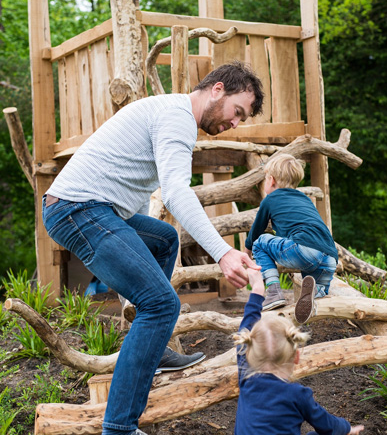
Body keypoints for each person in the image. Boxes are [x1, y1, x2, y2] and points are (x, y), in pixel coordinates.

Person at [42, 61, 264, 435]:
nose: (235, 124)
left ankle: (154, 349)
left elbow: (137, 185)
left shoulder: (171, 111)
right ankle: (119, 428)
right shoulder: (177, 118)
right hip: (78, 208)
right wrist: (224, 252)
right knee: (161, 304)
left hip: (93, 208)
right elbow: (176, 193)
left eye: (242, 120)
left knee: (164, 238)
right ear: (217, 89)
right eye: (237, 112)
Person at [233, 268, 364, 435]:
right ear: (296, 356)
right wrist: (347, 428)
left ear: (249, 347)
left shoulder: (247, 380)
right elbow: (327, 425)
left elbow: (245, 328)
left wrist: (257, 289)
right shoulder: (297, 395)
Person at [244, 153, 339, 323]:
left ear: (271, 180)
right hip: (330, 257)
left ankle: (273, 292)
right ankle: (316, 292)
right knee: (318, 289)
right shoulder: (305, 199)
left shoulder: (270, 199)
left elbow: (255, 233)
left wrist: (246, 254)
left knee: (260, 243)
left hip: (302, 249)